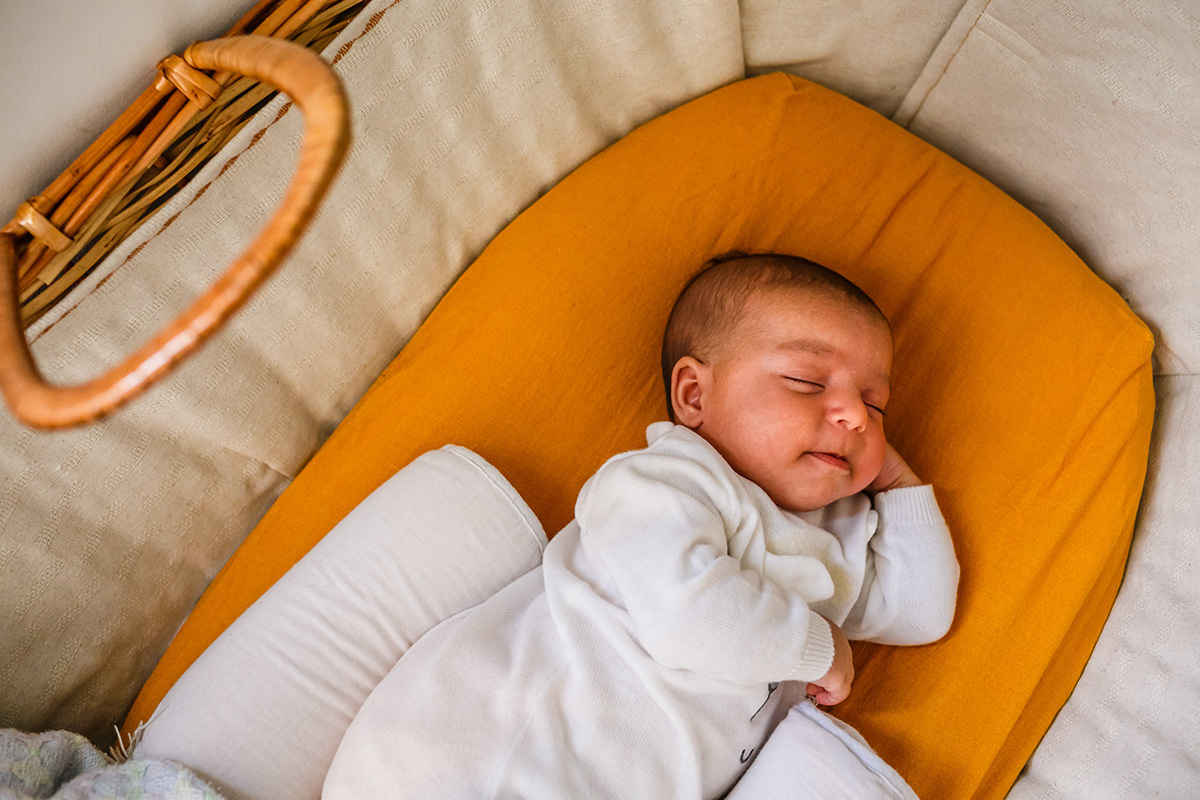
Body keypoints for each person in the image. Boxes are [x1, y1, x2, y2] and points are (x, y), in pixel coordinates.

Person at [323, 253, 960, 799]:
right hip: (488, 756)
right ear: (694, 396)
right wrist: (820, 648)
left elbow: (922, 612)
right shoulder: (663, 483)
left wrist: (897, 481)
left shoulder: (839, 539)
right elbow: (690, 615)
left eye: (875, 403)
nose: (853, 415)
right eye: (806, 381)